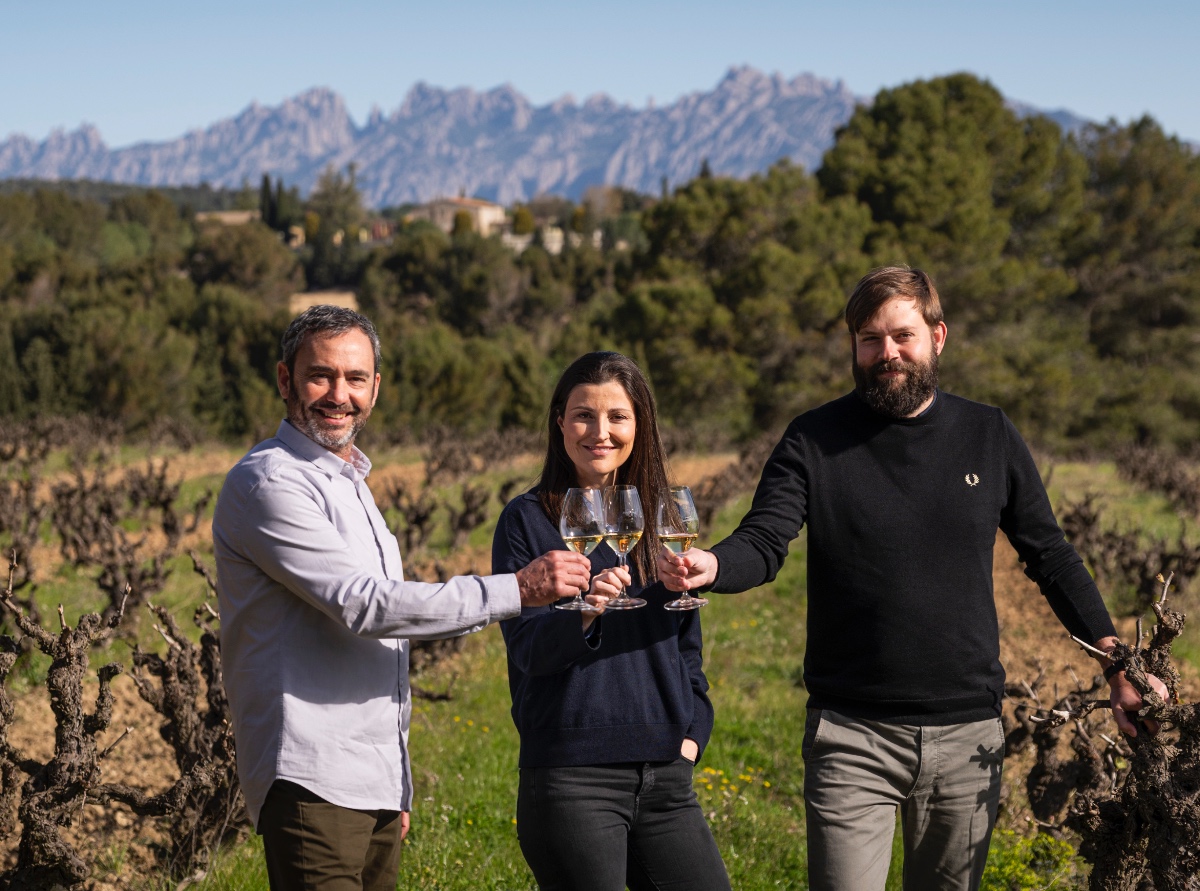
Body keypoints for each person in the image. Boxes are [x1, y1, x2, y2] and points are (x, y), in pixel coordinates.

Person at [658, 267, 1168, 891]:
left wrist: (1117, 661)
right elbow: (764, 541)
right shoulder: (813, 439)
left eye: (902, 335)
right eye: (869, 339)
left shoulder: (988, 434)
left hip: (967, 736)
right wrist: (711, 566)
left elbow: (1050, 555)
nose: (886, 353)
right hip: (851, 735)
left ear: (938, 336)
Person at [212, 305, 589, 891]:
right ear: (285, 379)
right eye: (321, 376)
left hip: (370, 781)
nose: (339, 395)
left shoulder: (350, 483)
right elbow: (366, 605)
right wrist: (518, 589)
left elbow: (381, 640)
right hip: (313, 780)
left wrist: (393, 783)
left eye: (355, 379)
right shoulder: (269, 483)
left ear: (376, 387)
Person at [492, 351, 732, 891]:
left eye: (617, 416)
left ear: (639, 423)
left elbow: (685, 648)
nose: (600, 432)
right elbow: (527, 650)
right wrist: (586, 614)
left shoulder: (663, 520)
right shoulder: (526, 521)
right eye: (583, 415)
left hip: (667, 776)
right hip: (572, 779)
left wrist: (693, 732)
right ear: (560, 423)